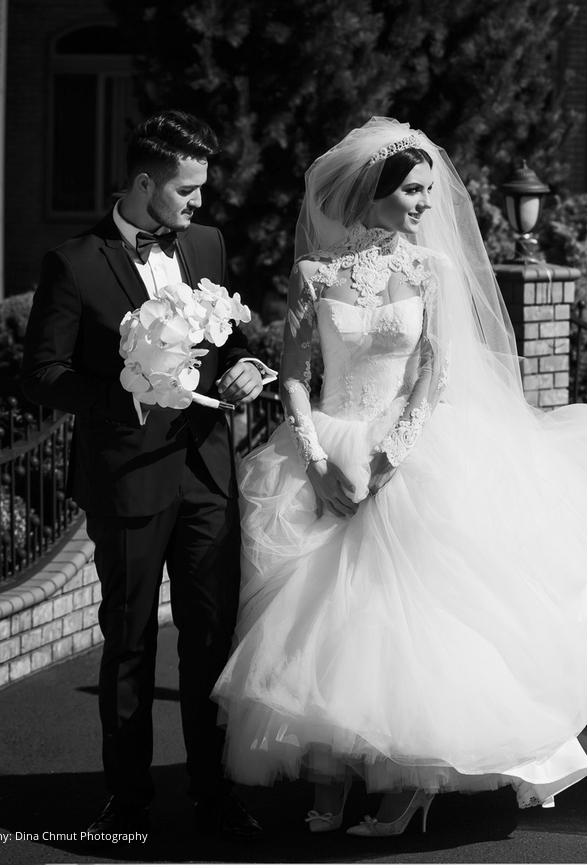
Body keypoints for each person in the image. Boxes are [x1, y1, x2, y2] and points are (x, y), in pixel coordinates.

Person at [213, 117, 587, 837]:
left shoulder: (428, 269)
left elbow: (433, 372)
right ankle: (328, 778)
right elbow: (294, 377)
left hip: (411, 448)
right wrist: (319, 463)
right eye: (412, 190)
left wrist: (390, 456)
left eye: (426, 190)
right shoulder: (312, 274)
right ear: (371, 191)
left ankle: (407, 782)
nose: (425, 202)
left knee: (402, 616)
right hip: (327, 441)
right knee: (320, 622)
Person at [21, 109, 275, 842]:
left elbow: (227, 343)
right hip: (127, 476)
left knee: (210, 640)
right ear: (142, 183)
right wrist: (126, 394)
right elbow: (42, 372)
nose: (199, 202)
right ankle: (127, 803)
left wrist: (247, 368)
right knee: (129, 643)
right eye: (186, 189)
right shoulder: (74, 262)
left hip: (206, 472)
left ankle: (213, 795)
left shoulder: (207, 243)